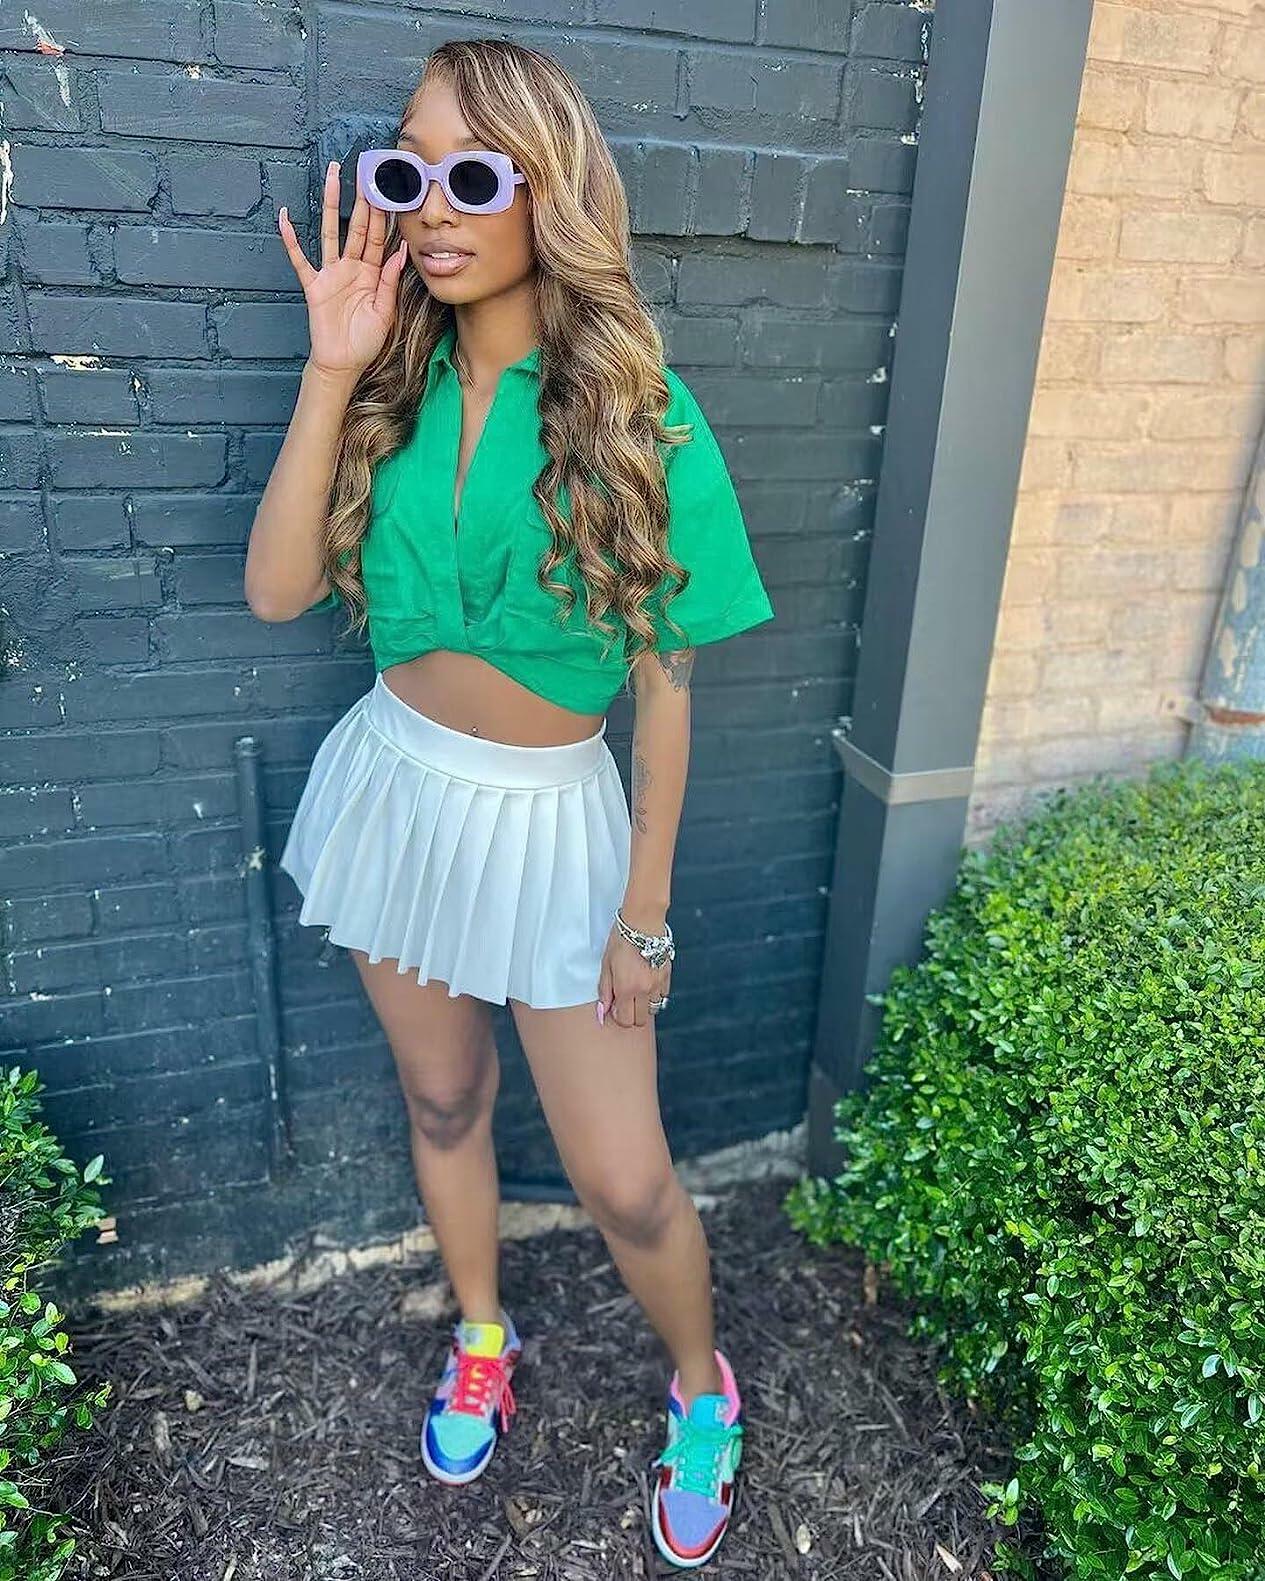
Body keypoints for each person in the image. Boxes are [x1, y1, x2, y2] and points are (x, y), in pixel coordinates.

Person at [245, 37, 773, 1571]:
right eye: (407, 174)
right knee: (443, 1100)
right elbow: (277, 591)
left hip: (553, 827)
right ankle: (482, 1329)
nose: (431, 208)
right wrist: (330, 364)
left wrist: (644, 913)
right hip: (395, 792)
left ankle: (701, 1387)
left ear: (552, 192)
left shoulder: (639, 413)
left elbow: (666, 690)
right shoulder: (388, 384)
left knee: (624, 1177)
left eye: (472, 176)